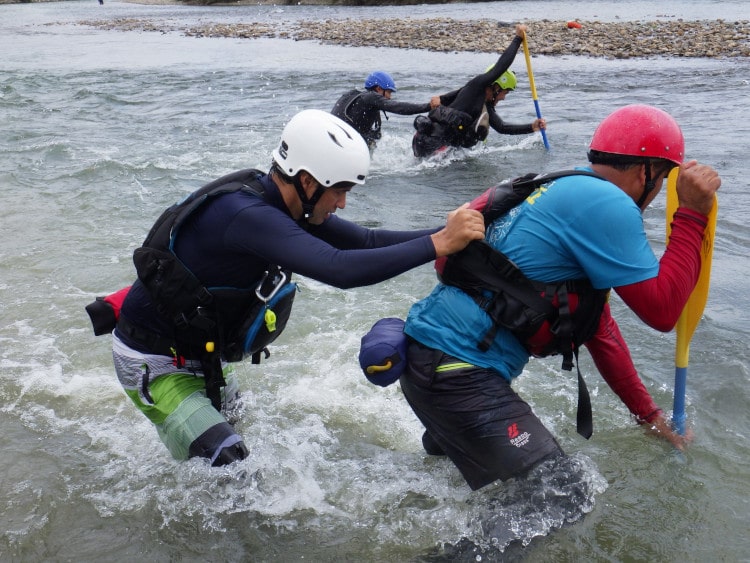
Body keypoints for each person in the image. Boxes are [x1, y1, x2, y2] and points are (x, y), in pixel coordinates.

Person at [97, 109, 484, 467]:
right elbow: (340, 269)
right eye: (339, 191)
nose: (343, 203)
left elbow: (365, 242)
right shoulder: (246, 214)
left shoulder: (281, 204)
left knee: (234, 444)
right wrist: (438, 245)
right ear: (308, 181)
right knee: (230, 463)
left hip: (202, 359)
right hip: (155, 362)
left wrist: (455, 232)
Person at [398, 104, 721, 490]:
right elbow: (663, 311)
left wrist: (649, 418)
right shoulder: (609, 203)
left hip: (428, 363)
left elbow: (599, 329)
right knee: (559, 494)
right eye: (665, 177)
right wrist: (692, 213)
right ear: (645, 171)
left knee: (468, 492)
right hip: (456, 373)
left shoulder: (564, 187)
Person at [412, 24, 546, 158]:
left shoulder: (485, 106)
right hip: (431, 142)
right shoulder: (476, 87)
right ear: (496, 87)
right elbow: (500, 67)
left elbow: (502, 127)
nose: (503, 98)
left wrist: (532, 127)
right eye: (505, 92)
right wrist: (518, 38)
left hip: (436, 147)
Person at [331, 71, 432, 151]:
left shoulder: (351, 95)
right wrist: (428, 106)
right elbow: (398, 107)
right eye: (388, 92)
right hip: (347, 144)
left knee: (373, 137)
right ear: (379, 89)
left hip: (333, 138)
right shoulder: (371, 97)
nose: (389, 96)